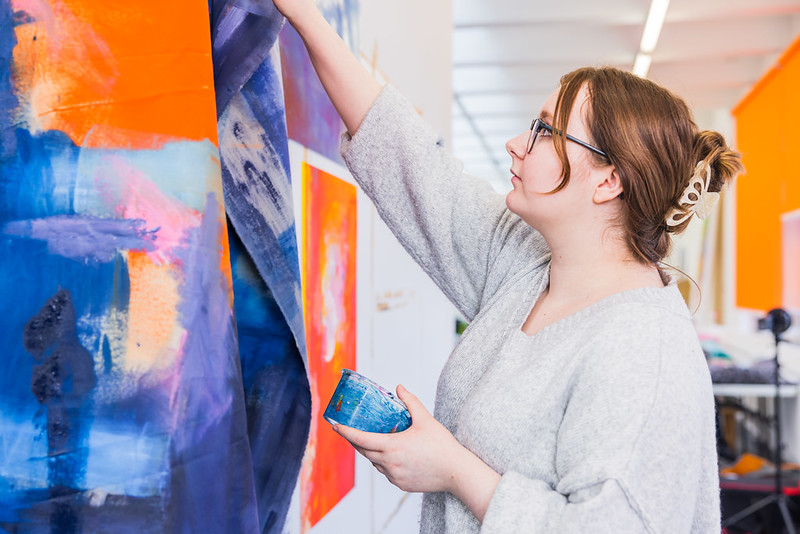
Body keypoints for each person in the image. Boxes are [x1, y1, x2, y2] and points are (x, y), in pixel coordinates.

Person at [272, 1, 744, 532]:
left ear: (608, 181)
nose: (517, 144)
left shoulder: (643, 352)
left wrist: (453, 470)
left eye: (545, 131)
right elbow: (411, 162)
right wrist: (306, 17)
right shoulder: (525, 265)